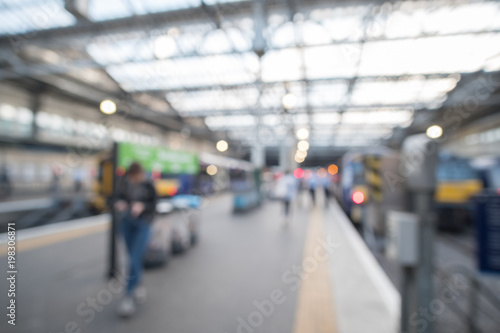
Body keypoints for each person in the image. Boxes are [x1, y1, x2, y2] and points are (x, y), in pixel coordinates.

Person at [114, 162, 157, 317]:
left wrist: (142, 206)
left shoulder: (148, 185)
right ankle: (138, 283)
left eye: (137, 176)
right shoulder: (124, 184)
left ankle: (128, 295)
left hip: (142, 225)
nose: (135, 179)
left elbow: (154, 204)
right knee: (133, 258)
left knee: (132, 260)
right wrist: (121, 204)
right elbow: (117, 198)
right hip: (126, 223)